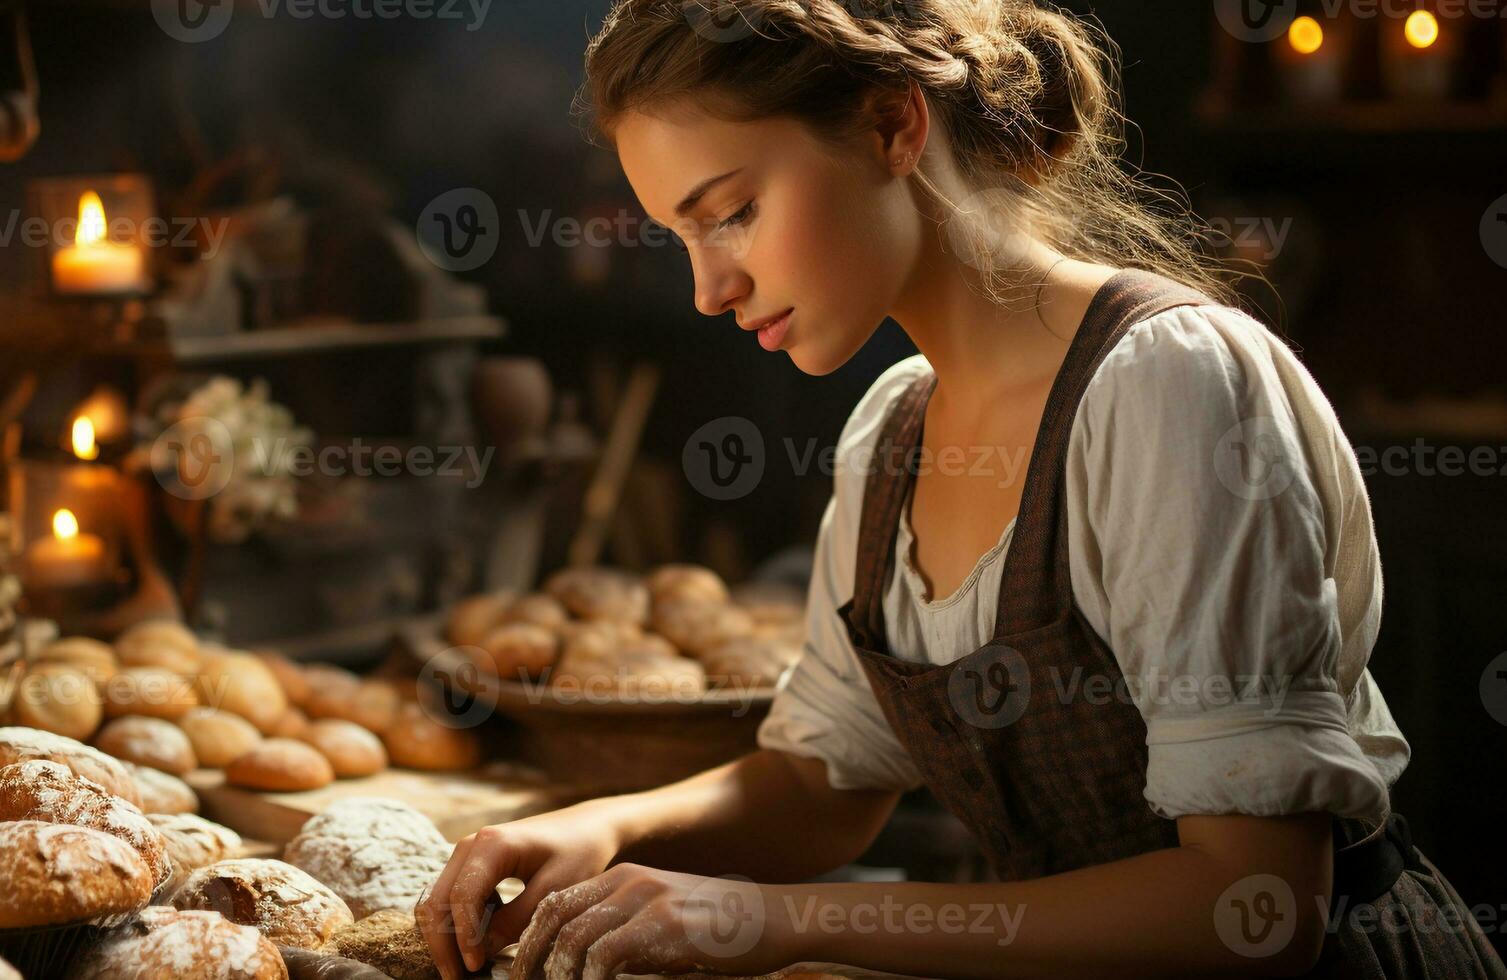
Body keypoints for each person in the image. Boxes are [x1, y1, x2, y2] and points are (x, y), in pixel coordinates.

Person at [415, 1, 1507, 977]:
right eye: (680, 237)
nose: (708, 289)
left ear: (894, 125)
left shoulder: (1167, 386)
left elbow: (1246, 905)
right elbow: (819, 786)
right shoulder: (891, 429)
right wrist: (605, 828)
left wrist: (785, 923)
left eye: (732, 210)